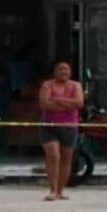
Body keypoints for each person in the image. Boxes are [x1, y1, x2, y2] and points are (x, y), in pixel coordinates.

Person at [38, 60, 85, 202]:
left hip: (70, 126)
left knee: (66, 158)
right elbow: (45, 104)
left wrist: (57, 99)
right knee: (53, 156)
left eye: (66, 69)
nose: (63, 71)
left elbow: (79, 103)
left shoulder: (76, 85)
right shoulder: (47, 85)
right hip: (49, 125)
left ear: (70, 72)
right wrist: (68, 105)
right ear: (54, 71)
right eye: (60, 69)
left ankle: (60, 191)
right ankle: (52, 190)